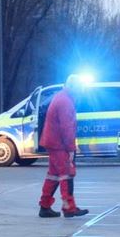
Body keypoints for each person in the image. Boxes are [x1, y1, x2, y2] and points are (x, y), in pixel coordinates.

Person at [38, 75, 89, 218]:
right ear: (75, 87)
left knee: (54, 175)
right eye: (80, 89)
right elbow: (67, 128)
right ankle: (69, 207)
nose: (81, 92)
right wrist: (71, 149)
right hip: (59, 144)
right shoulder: (66, 102)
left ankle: (45, 205)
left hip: (53, 142)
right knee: (67, 174)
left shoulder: (61, 97)